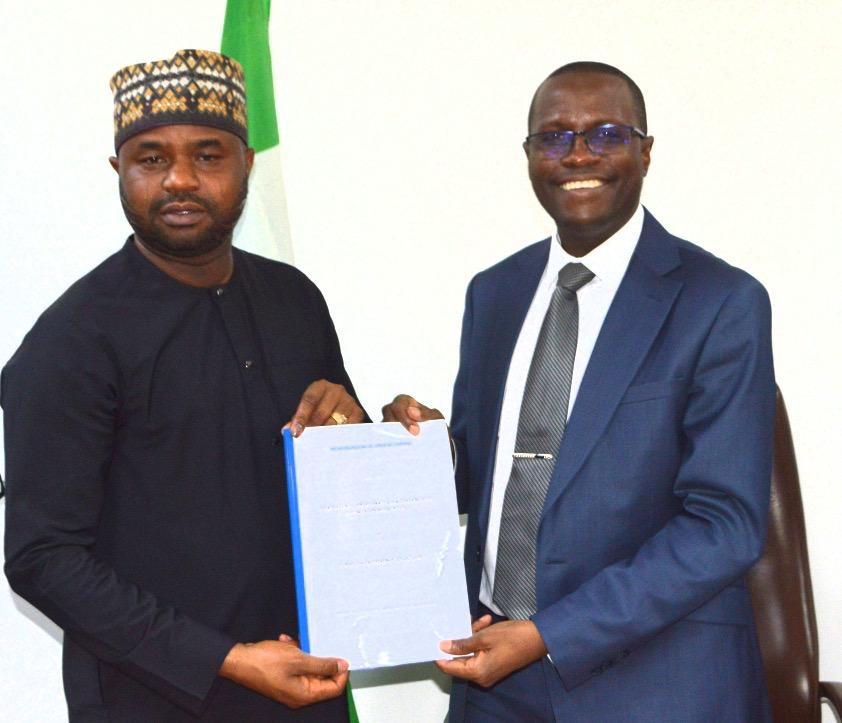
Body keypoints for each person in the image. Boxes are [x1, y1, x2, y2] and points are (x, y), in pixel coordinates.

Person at [384, 61, 775, 722]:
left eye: (608, 134)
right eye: (555, 137)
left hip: (656, 683)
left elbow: (725, 525)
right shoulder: (495, 293)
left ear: (647, 152)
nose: (580, 154)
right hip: (493, 685)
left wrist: (546, 635)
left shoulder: (720, 301)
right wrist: (417, 448)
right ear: (530, 156)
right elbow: (489, 465)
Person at [3, 49, 365, 721]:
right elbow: (41, 557)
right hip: (155, 700)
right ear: (118, 169)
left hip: (307, 688)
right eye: (150, 159)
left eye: (208, 156)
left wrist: (377, 435)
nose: (179, 180)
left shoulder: (294, 301)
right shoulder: (71, 340)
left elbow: (332, 481)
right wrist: (224, 658)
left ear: (246, 161)